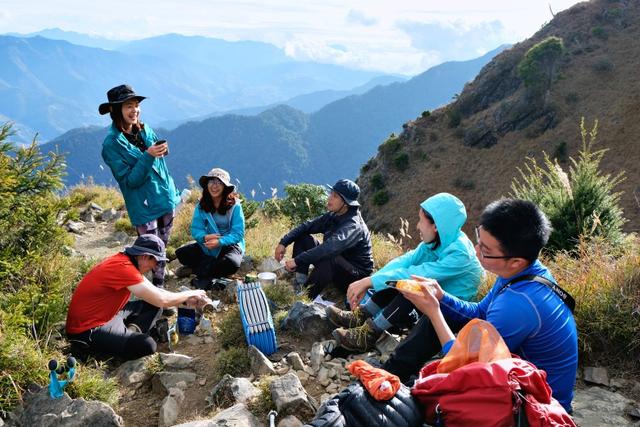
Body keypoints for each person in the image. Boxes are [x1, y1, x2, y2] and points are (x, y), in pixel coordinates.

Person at [395, 198, 578, 412]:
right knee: (441, 316)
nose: (476, 249)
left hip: (534, 409)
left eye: (486, 249)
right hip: (522, 384)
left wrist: (434, 312)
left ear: (516, 261)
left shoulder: (517, 304)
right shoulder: (522, 273)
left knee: (428, 399)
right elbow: (480, 312)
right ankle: (397, 374)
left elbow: (467, 367)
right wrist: (442, 297)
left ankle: (395, 381)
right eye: (478, 239)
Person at [328, 192, 483, 352]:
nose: (417, 226)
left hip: (453, 312)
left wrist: (369, 282)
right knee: (394, 280)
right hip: (435, 301)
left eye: (421, 221)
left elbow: (416, 274)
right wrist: (371, 280)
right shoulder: (439, 240)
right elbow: (404, 262)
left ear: (436, 226)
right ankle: (361, 316)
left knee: (412, 287)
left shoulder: (460, 254)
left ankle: (369, 334)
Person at [65, 234, 208, 360]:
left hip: (106, 314)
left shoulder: (124, 261)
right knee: (147, 345)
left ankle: (128, 333)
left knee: (153, 305)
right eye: (156, 262)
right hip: (87, 329)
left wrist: (184, 299)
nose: (155, 267)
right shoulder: (124, 269)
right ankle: (109, 345)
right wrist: (190, 293)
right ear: (145, 256)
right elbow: (162, 300)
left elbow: (158, 294)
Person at [100, 84, 180, 291]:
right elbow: (130, 180)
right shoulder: (111, 145)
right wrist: (149, 155)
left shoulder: (145, 129)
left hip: (164, 196)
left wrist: (162, 150)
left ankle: (158, 284)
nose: (134, 110)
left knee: (162, 245)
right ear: (116, 110)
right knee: (150, 251)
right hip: (143, 206)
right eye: (128, 106)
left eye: (136, 105)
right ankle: (154, 291)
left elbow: (157, 160)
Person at [275, 179, 374, 298]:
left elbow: (330, 249)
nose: (329, 198)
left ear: (346, 203)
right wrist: (283, 243)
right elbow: (307, 226)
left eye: (335, 196)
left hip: (354, 276)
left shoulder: (353, 226)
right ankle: (300, 282)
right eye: (331, 193)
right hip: (338, 263)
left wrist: (297, 260)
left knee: (330, 256)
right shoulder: (334, 215)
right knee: (304, 238)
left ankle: (305, 296)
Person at [176, 168, 245, 290]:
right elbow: (196, 228)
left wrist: (220, 242)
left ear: (225, 187)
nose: (215, 186)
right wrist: (204, 237)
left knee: (232, 263)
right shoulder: (202, 205)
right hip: (208, 244)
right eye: (212, 181)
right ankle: (210, 268)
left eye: (219, 183)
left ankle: (196, 270)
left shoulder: (234, 205)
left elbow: (238, 233)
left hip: (228, 245)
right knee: (181, 254)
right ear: (207, 184)